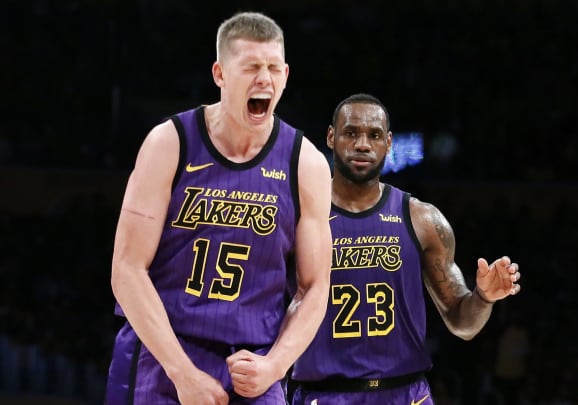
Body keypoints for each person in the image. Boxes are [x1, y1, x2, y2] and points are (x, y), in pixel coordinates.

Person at [105, 11, 332, 405]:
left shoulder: (305, 162)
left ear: (286, 75)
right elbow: (126, 269)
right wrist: (182, 372)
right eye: (251, 67)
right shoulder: (170, 142)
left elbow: (315, 287)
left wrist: (276, 366)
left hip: (252, 361)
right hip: (161, 353)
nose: (264, 78)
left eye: (273, 68)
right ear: (220, 74)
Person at [290, 93, 522, 405]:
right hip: (325, 393)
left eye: (373, 135)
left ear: (388, 143)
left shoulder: (422, 219)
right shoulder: (298, 215)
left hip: (407, 394)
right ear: (331, 138)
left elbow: (462, 324)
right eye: (351, 133)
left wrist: (483, 297)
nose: (362, 144)